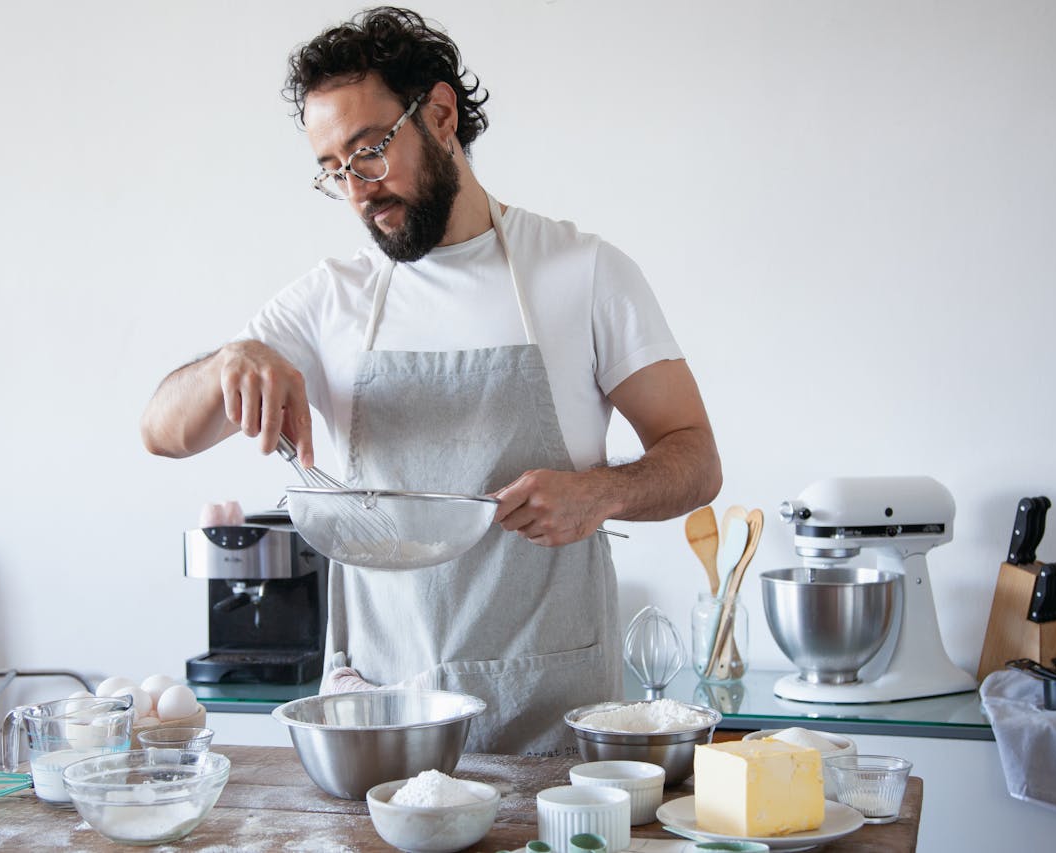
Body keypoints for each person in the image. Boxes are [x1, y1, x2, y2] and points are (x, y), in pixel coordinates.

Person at [140, 6, 721, 756]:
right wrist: (229, 360)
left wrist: (601, 490)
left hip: (552, 716)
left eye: (369, 152)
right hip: (386, 717)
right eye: (332, 170)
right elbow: (162, 431)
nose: (356, 191)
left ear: (440, 114)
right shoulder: (327, 300)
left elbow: (696, 458)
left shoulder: (583, 273)